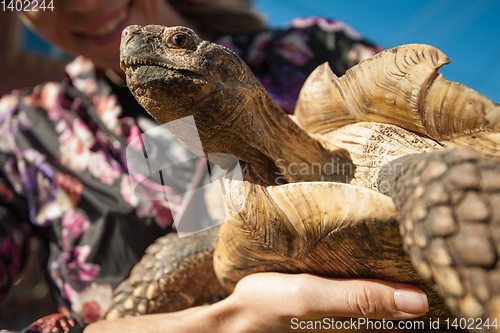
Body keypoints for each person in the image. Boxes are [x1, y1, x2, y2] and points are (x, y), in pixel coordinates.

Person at [0, 0, 429, 332]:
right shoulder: (21, 137)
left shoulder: (319, 55)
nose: (86, 4)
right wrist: (215, 323)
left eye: (176, 43)